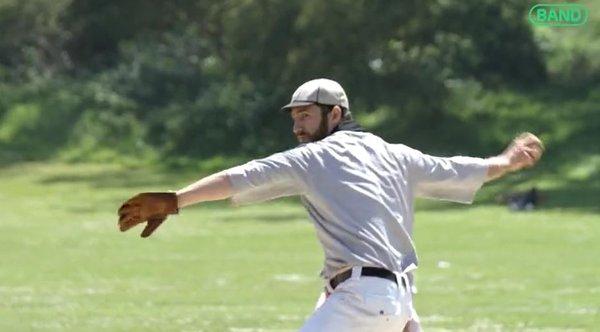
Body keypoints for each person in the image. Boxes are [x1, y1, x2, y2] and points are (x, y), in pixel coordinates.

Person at [117, 78, 544, 331]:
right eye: (294, 117)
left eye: (305, 115)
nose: (298, 126)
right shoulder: (392, 153)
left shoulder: (316, 157)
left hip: (366, 298)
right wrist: (505, 163)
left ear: (335, 115)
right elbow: (453, 169)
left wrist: (176, 200)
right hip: (391, 300)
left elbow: (240, 177)